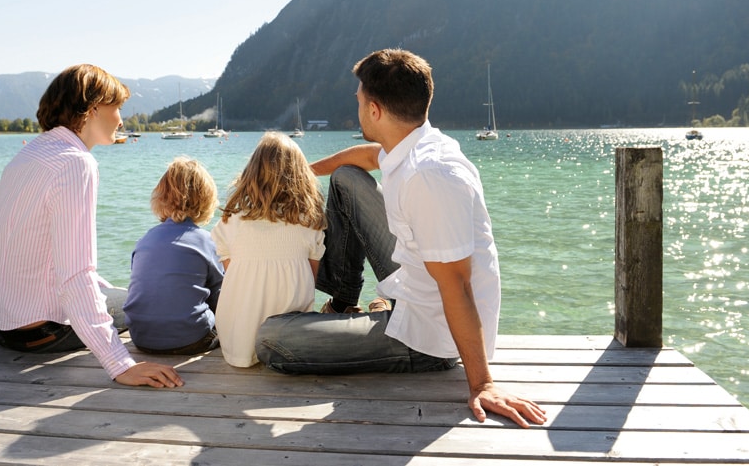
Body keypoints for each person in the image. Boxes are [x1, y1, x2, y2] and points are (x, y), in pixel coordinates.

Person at [255, 49, 547, 428]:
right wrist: (300, 175)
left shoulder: (430, 176)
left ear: (375, 111)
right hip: (416, 284)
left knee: (270, 338)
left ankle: (386, 320)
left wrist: (483, 383)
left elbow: (457, 284)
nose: (357, 106)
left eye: (359, 100)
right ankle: (343, 302)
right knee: (345, 177)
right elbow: (365, 156)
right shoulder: (412, 144)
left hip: (427, 335)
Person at [0, 64, 183, 388]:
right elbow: (76, 274)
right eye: (118, 107)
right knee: (140, 302)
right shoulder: (76, 163)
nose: (122, 119)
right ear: (93, 108)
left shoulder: (27, 156)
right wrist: (120, 364)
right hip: (37, 333)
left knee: (115, 294)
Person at [212, 131, 326, 367]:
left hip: (237, 343)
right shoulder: (309, 222)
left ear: (251, 174)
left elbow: (232, 276)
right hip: (288, 339)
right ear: (301, 177)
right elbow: (310, 281)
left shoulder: (230, 221)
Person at [124, 157, 223, 355]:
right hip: (191, 339)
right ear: (206, 201)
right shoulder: (205, 241)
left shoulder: (145, 239)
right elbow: (221, 296)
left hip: (141, 338)